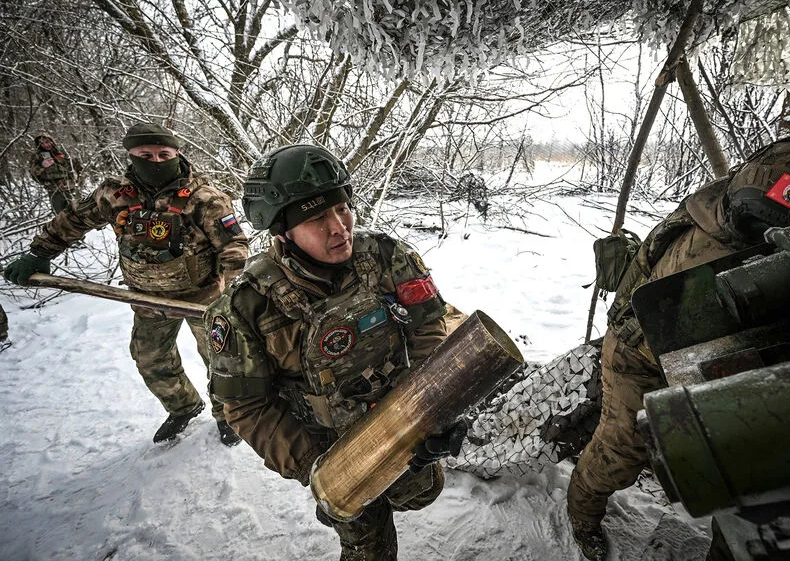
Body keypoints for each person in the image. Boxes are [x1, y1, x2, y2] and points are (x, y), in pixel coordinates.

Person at [566, 135, 790, 560]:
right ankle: (582, 511)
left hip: (712, 361)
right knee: (621, 451)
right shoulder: (714, 232)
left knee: (742, 473)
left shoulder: (731, 208)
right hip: (640, 353)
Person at [204, 143, 466, 560]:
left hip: (398, 415)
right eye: (316, 218)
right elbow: (247, 407)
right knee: (367, 541)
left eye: (342, 208)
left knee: (423, 491)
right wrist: (318, 468)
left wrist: (433, 407)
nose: (340, 227)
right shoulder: (245, 305)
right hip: (326, 442)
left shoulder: (386, 256)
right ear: (282, 231)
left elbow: (428, 326)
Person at [4, 122, 249, 445]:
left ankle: (227, 415)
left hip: (203, 299)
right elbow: (74, 219)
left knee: (222, 360)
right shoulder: (113, 195)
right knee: (150, 359)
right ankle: (183, 406)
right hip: (146, 298)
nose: (156, 161)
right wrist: (40, 252)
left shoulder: (205, 199)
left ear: (177, 154)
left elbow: (234, 248)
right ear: (131, 155)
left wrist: (231, 293)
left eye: (164, 154)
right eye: (146, 155)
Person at [29, 132, 82, 213]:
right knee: (62, 216)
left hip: (71, 188)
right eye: (42, 143)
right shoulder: (37, 157)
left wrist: (76, 183)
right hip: (54, 192)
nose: (45, 145)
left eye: (47, 142)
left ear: (52, 140)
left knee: (81, 211)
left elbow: (79, 168)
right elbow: (33, 175)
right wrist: (42, 167)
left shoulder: (63, 151)